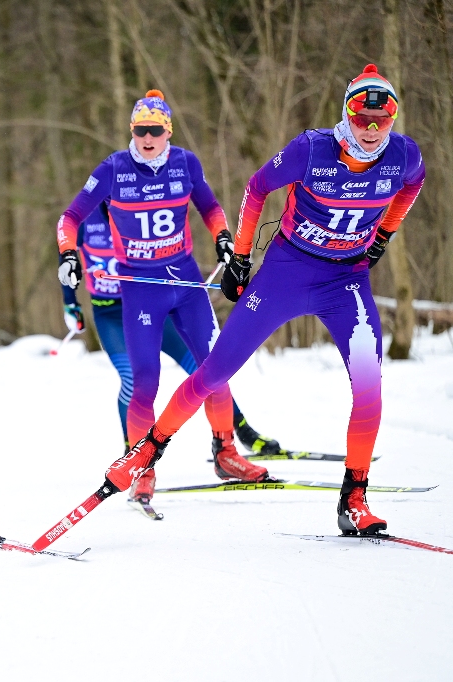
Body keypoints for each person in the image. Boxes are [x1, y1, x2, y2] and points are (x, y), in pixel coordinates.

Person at [98, 65, 424, 536]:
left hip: (346, 281)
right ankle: (147, 450)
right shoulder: (311, 150)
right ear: (346, 113)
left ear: (394, 117)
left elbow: (413, 185)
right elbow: (256, 188)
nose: (372, 130)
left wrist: (384, 235)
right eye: (361, 116)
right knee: (214, 371)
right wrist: (241, 259)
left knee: (370, 388)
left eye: (383, 118)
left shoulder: (403, 156)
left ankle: (354, 499)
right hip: (287, 274)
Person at [57, 90, 268, 504]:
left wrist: (224, 239)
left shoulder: (186, 163)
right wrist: (68, 255)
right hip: (140, 288)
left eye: (155, 130)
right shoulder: (114, 168)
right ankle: (141, 467)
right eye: (140, 130)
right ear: (131, 131)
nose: (147, 137)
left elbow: (210, 207)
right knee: (145, 382)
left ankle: (226, 453)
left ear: (167, 131)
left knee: (216, 367)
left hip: (185, 281)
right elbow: (70, 217)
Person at [61, 201, 285, 454]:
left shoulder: (144, 215)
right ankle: (133, 453)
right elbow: (65, 254)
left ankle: (242, 431)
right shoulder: (86, 219)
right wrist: (71, 304)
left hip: (152, 307)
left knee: (206, 369)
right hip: (112, 314)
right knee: (132, 380)